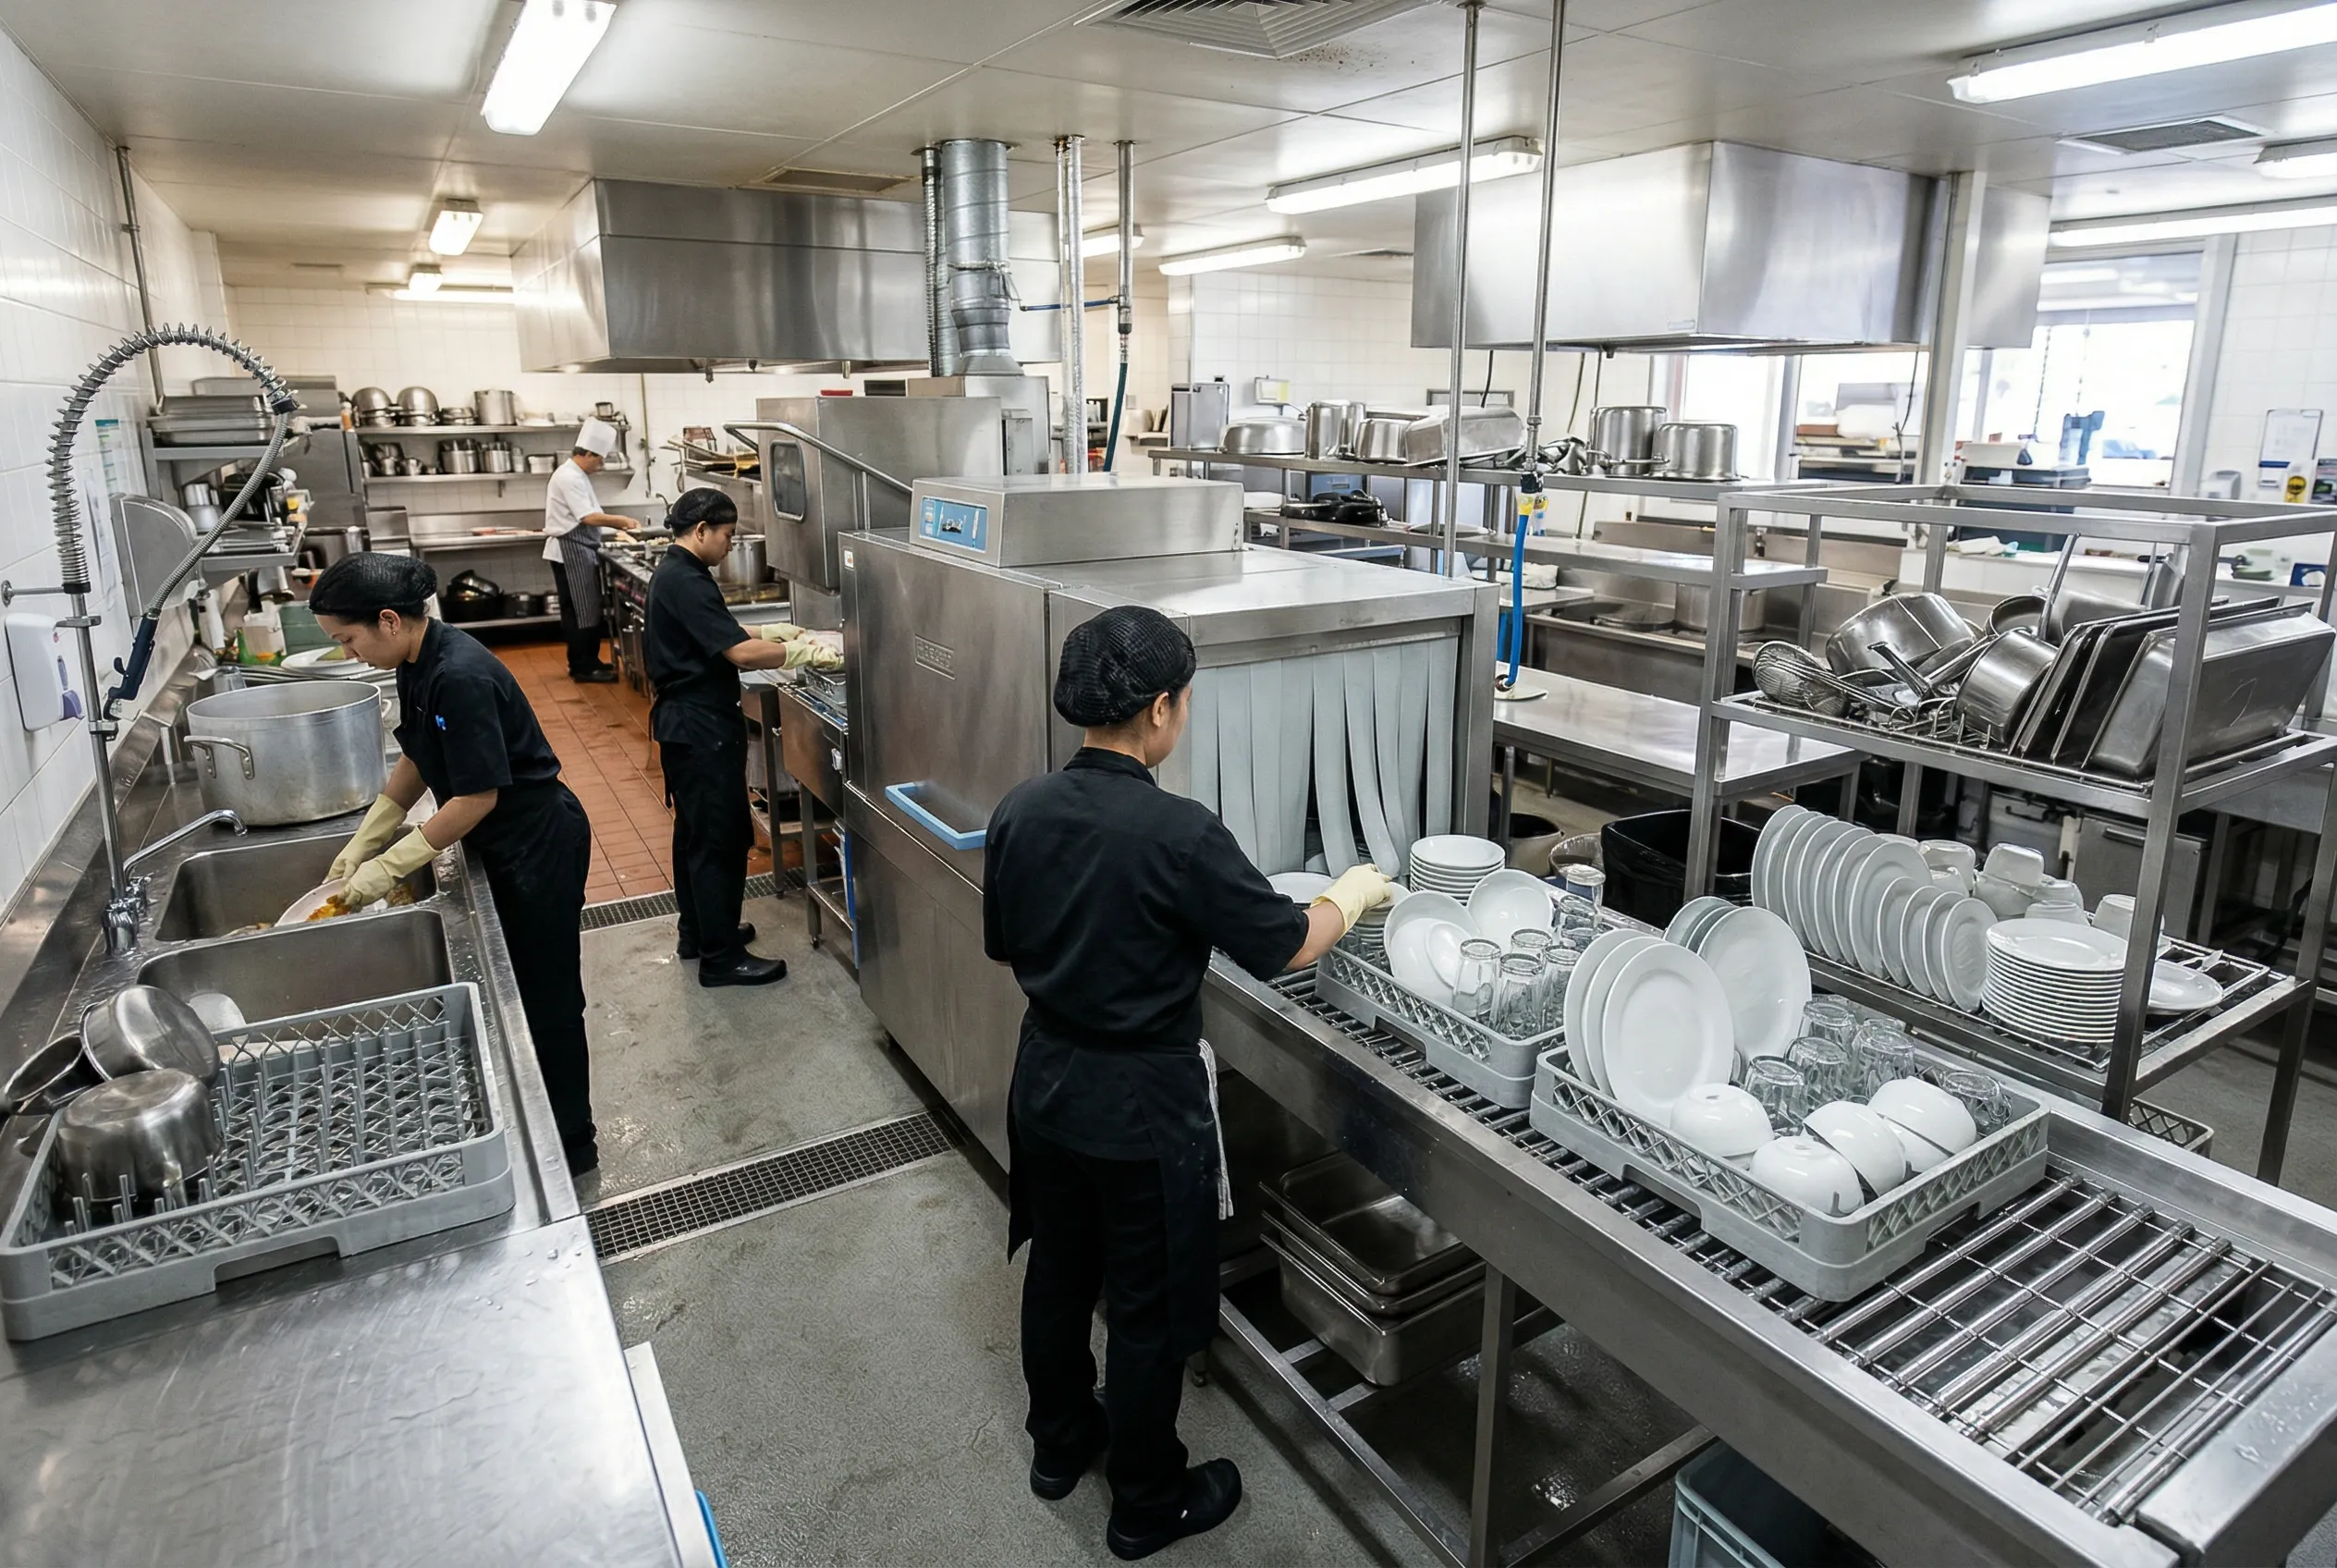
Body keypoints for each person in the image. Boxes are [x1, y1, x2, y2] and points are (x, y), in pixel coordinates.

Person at [983, 605, 1392, 1562]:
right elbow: (1285, 944)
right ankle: (1145, 1503)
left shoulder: (1021, 810)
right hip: (1139, 1107)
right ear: (1161, 709)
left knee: (1056, 1270)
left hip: (1045, 1084)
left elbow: (1007, 942)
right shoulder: (1177, 830)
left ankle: (1059, 1446)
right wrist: (1351, 894)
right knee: (1143, 1308)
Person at [310, 553, 602, 1173]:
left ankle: (572, 1142)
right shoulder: (417, 660)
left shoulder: (459, 674)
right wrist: (370, 835)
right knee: (519, 989)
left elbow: (478, 796)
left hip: (535, 843)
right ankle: (539, 1116)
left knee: (548, 997)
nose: (347, 653)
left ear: (388, 620)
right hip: (498, 841)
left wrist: (392, 866)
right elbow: (419, 754)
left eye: (347, 639)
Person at [646, 486, 838, 986]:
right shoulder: (687, 580)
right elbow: (739, 655)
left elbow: (721, 634)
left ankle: (702, 933)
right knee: (720, 841)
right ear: (702, 530)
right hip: (700, 728)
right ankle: (722, 958)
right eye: (728, 535)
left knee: (693, 834)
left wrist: (775, 632)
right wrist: (806, 654)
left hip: (686, 727)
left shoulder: (679, 573)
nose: (730, 544)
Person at [542, 416, 633, 684]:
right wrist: (622, 521)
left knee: (584, 609)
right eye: (600, 459)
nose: (601, 465)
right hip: (570, 551)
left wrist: (614, 530)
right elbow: (588, 517)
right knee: (582, 611)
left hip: (579, 549)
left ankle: (587, 661)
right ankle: (583, 667)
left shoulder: (576, 474)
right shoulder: (569, 476)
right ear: (588, 453)